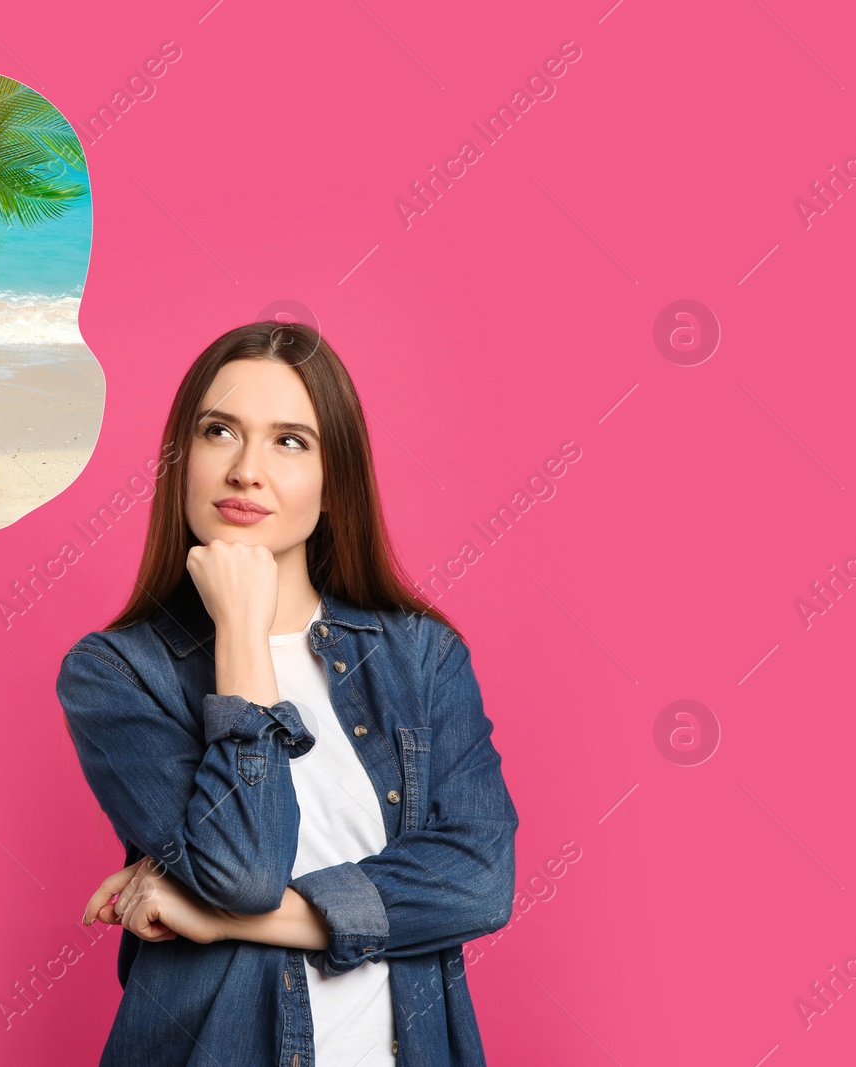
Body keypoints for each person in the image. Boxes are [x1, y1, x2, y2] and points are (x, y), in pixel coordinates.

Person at [55, 320, 519, 1066]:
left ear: (334, 483)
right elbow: (241, 870)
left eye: (290, 440)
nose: (246, 469)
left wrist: (226, 918)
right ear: (183, 461)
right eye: (219, 432)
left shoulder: (421, 657)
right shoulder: (116, 672)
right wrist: (241, 633)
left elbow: (480, 880)